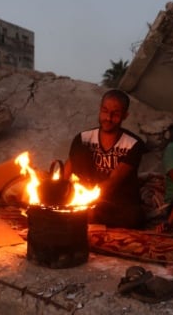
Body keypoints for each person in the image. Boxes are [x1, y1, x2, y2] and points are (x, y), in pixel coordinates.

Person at [63, 89, 147, 229]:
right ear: (100, 110)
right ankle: (85, 215)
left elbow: (113, 182)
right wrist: (60, 193)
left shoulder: (133, 144)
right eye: (105, 111)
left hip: (115, 201)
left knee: (134, 217)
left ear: (125, 116)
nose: (108, 117)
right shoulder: (83, 138)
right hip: (83, 191)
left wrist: (88, 202)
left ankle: (87, 216)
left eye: (115, 114)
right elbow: (69, 170)